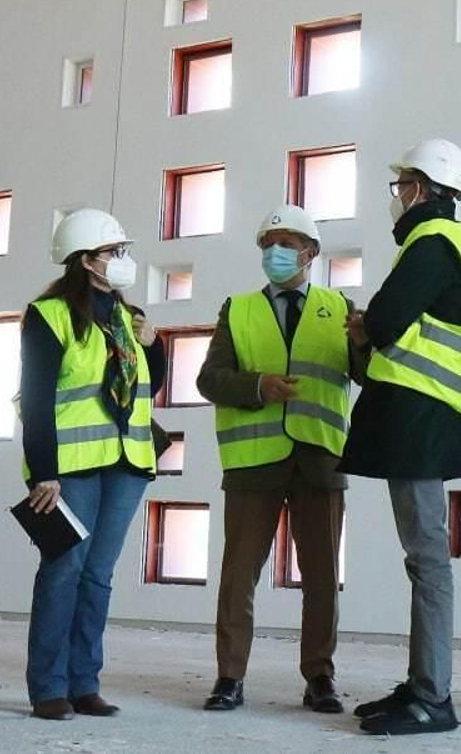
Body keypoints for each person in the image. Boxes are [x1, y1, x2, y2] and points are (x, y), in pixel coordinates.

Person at [341, 138, 461, 737]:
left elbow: (383, 322)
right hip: (433, 419)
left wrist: (365, 324)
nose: (396, 196)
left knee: (428, 559)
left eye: (401, 184)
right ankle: (422, 684)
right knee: (423, 557)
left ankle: (433, 697)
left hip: (422, 419)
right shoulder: (456, 244)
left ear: (423, 189)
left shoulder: (432, 243)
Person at [195, 205, 367, 715]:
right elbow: (210, 379)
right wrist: (257, 386)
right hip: (253, 461)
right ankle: (229, 677)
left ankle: (320, 677)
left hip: (320, 458)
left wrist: (364, 341)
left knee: (321, 577)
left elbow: (366, 374)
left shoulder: (340, 308)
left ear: (311, 252)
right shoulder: (239, 309)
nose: (275, 251)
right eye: (268, 242)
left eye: (286, 242)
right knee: (238, 575)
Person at [18, 209, 166, 721]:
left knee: (98, 576)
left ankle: (85, 683)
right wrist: (43, 472)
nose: (123, 261)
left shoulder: (129, 317)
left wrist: (156, 347)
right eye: (114, 252)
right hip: (71, 467)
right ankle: (48, 688)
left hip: (127, 462)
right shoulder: (49, 315)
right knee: (64, 570)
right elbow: (35, 399)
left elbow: (149, 386)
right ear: (86, 260)